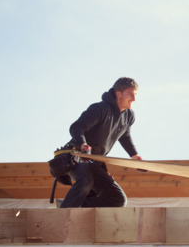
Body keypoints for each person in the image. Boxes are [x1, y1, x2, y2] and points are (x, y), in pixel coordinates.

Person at [58, 77, 143, 208]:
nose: (134, 99)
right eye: (130, 94)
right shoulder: (100, 109)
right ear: (118, 94)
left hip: (94, 162)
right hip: (75, 156)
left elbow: (125, 137)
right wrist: (82, 144)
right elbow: (76, 127)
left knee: (118, 199)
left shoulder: (129, 116)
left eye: (135, 95)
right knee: (85, 182)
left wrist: (135, 156)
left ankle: (70, 207)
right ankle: (64, 215)